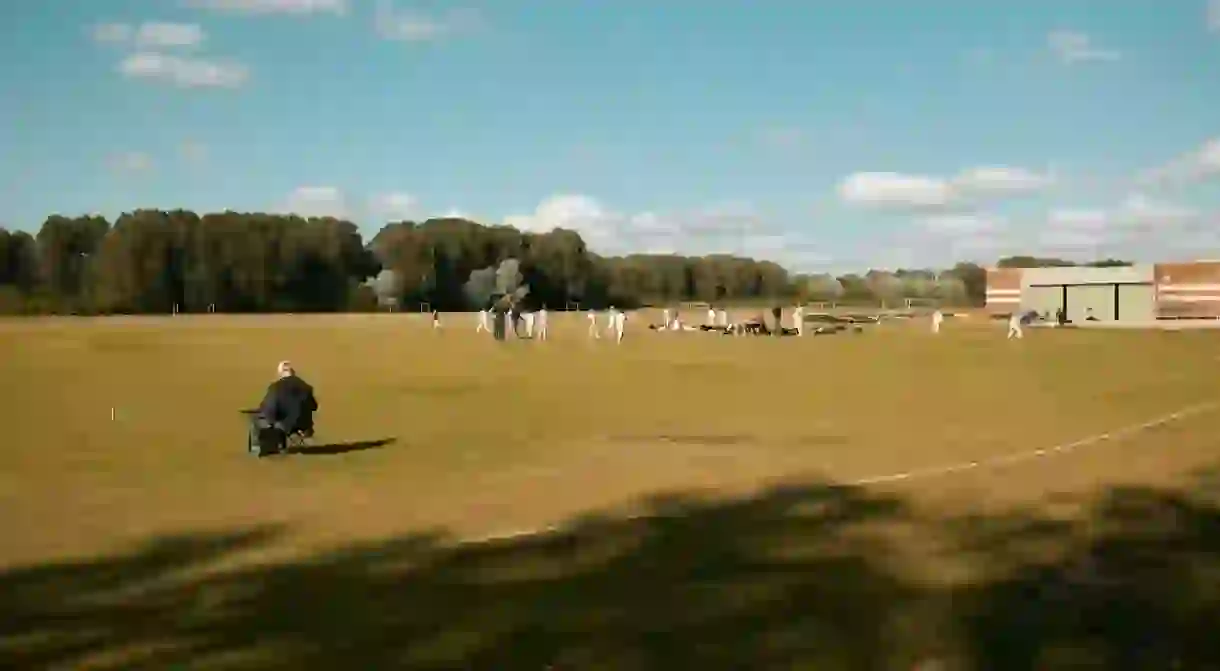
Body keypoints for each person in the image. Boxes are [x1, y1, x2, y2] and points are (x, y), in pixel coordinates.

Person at [248, 361, 318, 457]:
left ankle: (258, 447)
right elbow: (314, 406)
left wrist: (268, 419)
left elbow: (270, 409)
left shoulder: (275, 387)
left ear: (280, 374)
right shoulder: (306, 387)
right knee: (279, 417)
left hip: (285, 426)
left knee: (256, 419)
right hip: (305, 425)